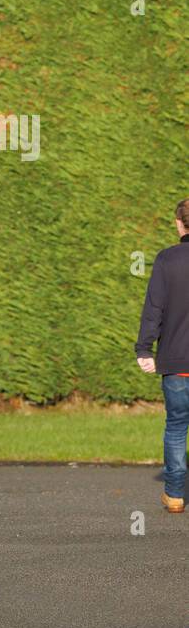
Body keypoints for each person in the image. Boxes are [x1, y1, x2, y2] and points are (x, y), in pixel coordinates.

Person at [135, 198, 189, 513]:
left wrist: (144, 348)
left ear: (179, 224)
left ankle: (175, 495)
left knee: (177, 426)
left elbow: (153, 309)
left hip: (177, 367)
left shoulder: (167, 260)